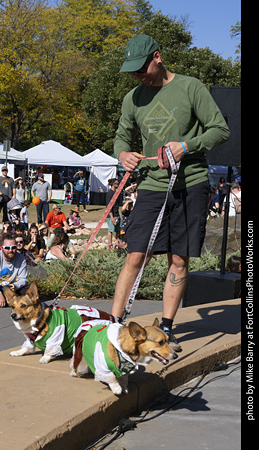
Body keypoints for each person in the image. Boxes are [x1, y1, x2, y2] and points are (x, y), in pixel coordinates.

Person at [111, 34, 230, 351]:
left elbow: (220, 129)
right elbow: (121, 138)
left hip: (190, 184)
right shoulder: (132, 99)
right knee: (136, 254)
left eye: (141, 68)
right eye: (132, 71)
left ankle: (166, 327)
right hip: (151, 185)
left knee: (179, 260)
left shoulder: (191, 87)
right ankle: (113, 326)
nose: (138, 75)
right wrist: (123, 154)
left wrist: (187, 146)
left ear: (157, 57)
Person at [106, 178, 122, 249]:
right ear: (113, 184)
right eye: (116, 183)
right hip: (111, 215)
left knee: (118, 230)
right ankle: (110, 245)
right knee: (111, 230)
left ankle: (117, 244)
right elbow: (109, 207)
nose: (118, 184)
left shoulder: (116, 193)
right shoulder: (110, 194)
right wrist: (112, 217)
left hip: (117, 214)